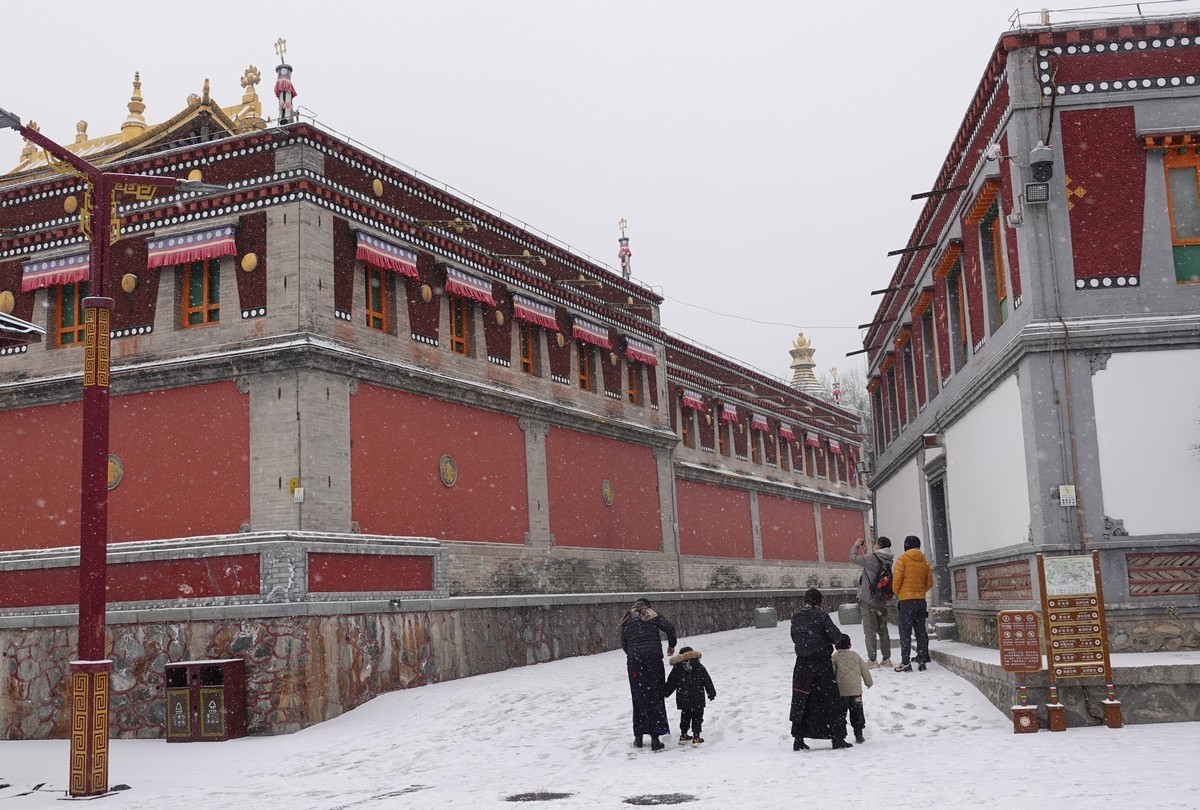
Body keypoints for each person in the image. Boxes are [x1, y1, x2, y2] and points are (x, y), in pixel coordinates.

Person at [789, 588, 853, 751]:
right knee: (830, 700)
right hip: (821, 664)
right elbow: (836, 637)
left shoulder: (796, 618)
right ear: (819, 602)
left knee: (801, 700)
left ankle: (798, 738)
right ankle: (837, 738)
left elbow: (795, 638)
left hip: (802, 665)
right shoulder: (822, 616)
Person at [620, 598, 677, 750]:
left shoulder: (626, 619)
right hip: (653, 662)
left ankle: (638, 737)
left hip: (634, 664)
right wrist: (671, 645)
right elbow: (670, 628)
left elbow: (624, 644)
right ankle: (655, 738)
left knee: (638, 698)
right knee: (655, 697)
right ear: (648, 606)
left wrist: (634, 655)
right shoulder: (652, 614)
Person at [850, 536, 894, 668]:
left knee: (870, 630)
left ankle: (872, 660)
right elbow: (874, 568)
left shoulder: (872, 558)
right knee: (883, 630)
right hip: (881, 600)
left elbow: (853, 558)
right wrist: (866, 552)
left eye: (876, 544)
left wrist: (856, 545)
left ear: (879, 545)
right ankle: (886, 658)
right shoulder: (888, 560)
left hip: (868, 599)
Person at [892, 535, 934, 672]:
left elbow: (896, 582)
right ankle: (922, 660)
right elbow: (929, 583)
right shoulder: (925, 563)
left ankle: (905, 662)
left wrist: (900, 592)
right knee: (920, 631)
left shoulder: (902, 560)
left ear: (906, 546)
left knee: (905, 632)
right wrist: (919, 591)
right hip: (920, 601)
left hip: (906, 601)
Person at [664, 645, 717, 745]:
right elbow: (707, 680)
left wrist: (666, 692)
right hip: (698, 696)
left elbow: (671, 682)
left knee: (685, 715)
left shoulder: (677, 668)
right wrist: (711, 693)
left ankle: (683, 735)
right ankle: (696, 736)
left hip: (683, 697)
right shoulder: (699, 666)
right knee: (697, 716)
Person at [831, 634, 873, 744]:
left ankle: (841, 734)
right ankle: (858, 734)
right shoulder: (855, 655)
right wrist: (868, 682)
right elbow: (864, 669)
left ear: (836, 646)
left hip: (841, 693)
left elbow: (832, 672)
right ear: (850, 645)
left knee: (841, 715)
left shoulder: (834, 657)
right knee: (857, 714)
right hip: (856, 693)